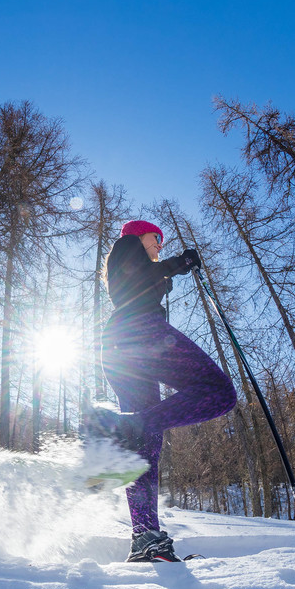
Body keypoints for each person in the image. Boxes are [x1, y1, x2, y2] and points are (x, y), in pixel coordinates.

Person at [89, 219, 236, 562]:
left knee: (145, 439)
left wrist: (168, 276)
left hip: (122, 346)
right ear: (140, 234)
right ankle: (129, 424)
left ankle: (145, 537)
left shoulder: (133, 268)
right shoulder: (126, 246)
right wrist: (181, 265)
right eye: (157, 239)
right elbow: (145, 276)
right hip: (140, 334)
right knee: (218, 391)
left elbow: (144, 281)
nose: (159, 246)